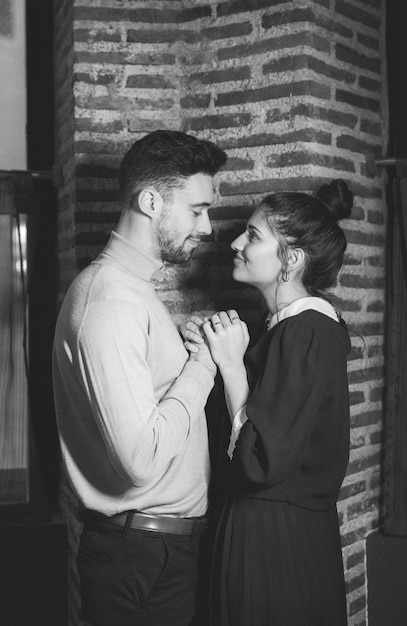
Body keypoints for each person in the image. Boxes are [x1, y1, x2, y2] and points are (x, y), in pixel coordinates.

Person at [52, 129, 227, 626]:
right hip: (143, 557)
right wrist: (203, 365)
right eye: (196, 210)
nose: (208, 226)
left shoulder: (131, 292)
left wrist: (184, 350)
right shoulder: (112, 302)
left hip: (153, 551)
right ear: (150, 201)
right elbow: (140, 459)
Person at [185, 179, 353, 626]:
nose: (236, 242)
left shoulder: (307, 332)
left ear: (291, 259)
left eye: (254, 236)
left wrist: (231, 365)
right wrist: (209, 358)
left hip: (274, 544)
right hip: (266, 533)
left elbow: (260, 460)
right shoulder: (281, 329)